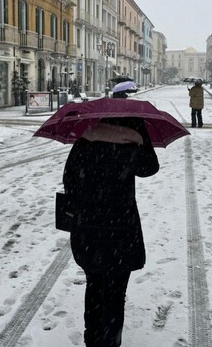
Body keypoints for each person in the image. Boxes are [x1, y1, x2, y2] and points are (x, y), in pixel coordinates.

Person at [62, 117, 160, 347]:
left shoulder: (87, 135)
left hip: (88, 228)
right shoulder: (134, 133)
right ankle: (110, 342)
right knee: (115, 295)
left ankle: (92, 340)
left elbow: (69, 179)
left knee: (94, 287)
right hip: (122, 229)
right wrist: (139, 141)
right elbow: (149, 168)